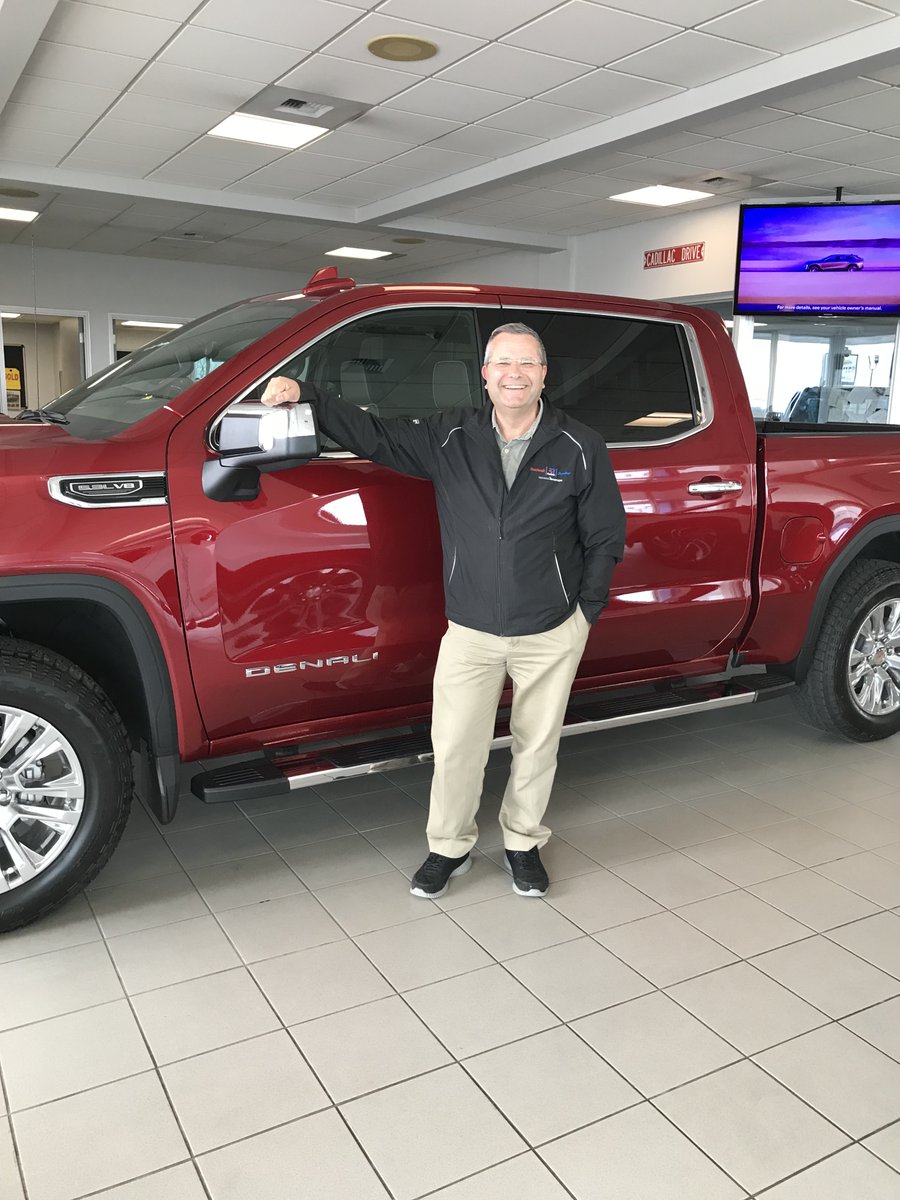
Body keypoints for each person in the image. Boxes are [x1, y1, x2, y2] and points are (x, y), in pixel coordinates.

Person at [261, 323, 625, 899]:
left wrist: (586, 612)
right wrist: (309, 396)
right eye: (503, 363)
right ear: (485, 374)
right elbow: (374, 436)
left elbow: (605, 535)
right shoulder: (450, 434)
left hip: (551, 626)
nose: (514, 374)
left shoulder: (579, 445)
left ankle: (523, 843)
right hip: (471, 629)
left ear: (543, 374)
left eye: (527, 364)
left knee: (538, 744)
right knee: (455, 744)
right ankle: (448, 848)